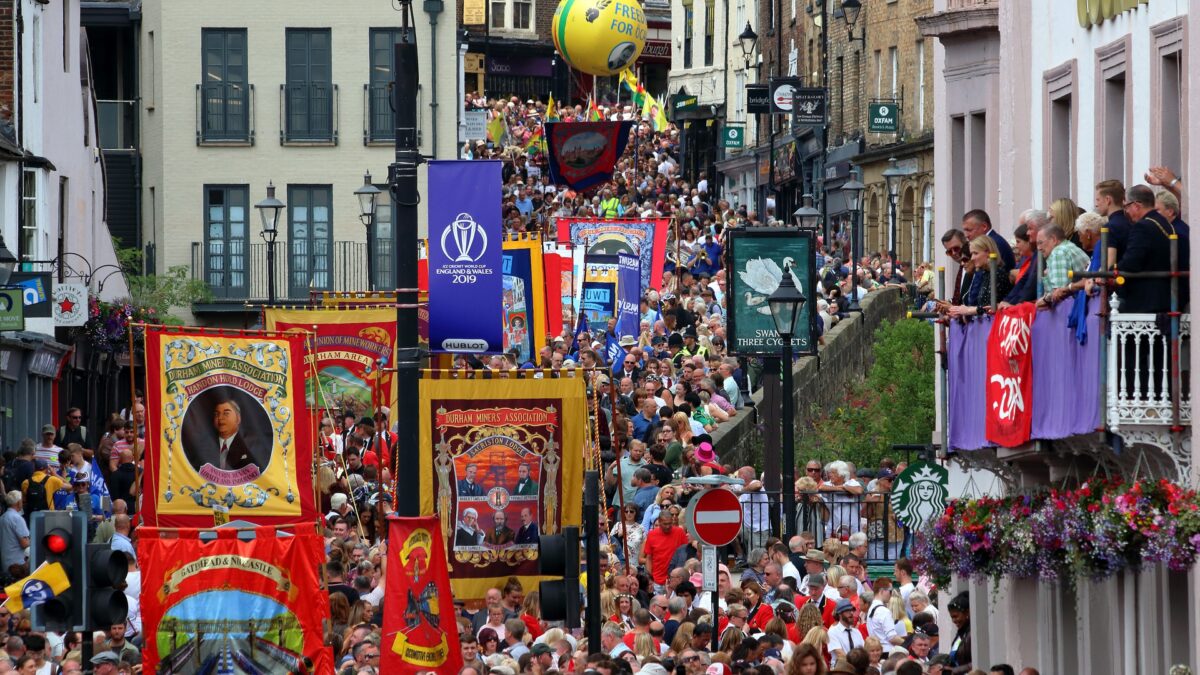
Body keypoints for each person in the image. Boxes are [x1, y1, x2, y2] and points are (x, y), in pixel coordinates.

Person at [1117, 184, 1190, 313]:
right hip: (1167, 298)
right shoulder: (1165, 223)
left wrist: (1112, 270)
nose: (1126, 212)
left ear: (1136, 205)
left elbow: (1131, 263)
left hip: (1147, 302)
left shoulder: (1142, 227)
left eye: (1126, 206)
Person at [210, 398, 255, 471]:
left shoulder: (250, 445)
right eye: (217, 414)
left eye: (226, 413)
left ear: (238, 419)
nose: (220, 418)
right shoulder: (205, 445)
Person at [0, 492, 28, 581]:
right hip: (18, 564)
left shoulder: (2, 517)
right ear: (18, 502)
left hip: (5, 561)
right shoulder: (17, 518)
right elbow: (24, 543)